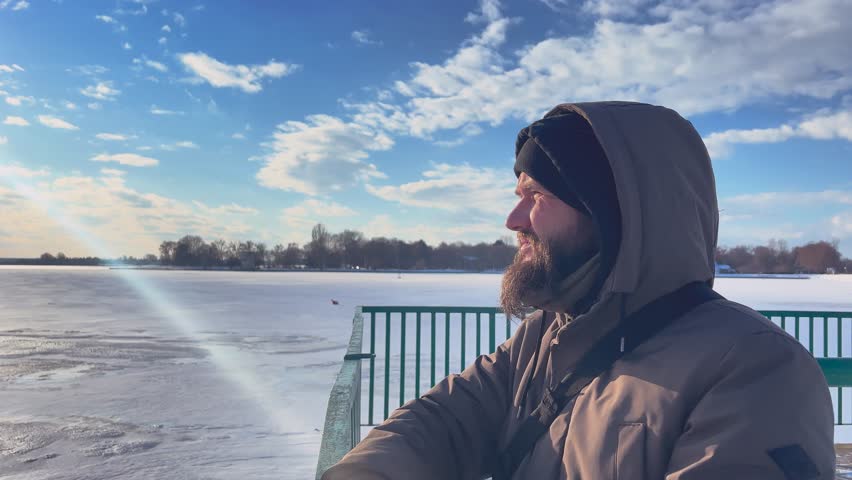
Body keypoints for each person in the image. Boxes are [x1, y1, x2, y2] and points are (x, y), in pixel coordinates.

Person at [322, 101, 835, 479]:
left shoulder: (757, 371)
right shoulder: (548, 335)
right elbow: (446, 420)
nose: (513, 219)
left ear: (610, 212)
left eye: (536, 195)